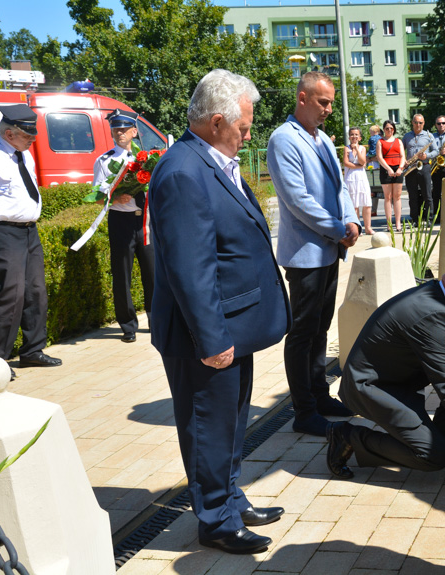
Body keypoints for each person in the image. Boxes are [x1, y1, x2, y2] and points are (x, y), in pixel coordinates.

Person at [148, 69, 291, 555]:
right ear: (215, 122)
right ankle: (215, 519)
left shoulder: (210, 160)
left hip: (233, 325)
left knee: (229, 425)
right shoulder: (184, 172)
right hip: (207, 334)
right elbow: (192, 268)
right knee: (209, 426)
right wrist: (212, 340)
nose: (248, 135)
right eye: (244, 128)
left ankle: (229, 496)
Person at [326, 254, 445, 480]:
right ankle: (347, 436)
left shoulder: (443, 298)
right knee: (433, 455)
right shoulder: (431, 313)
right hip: (371, 388)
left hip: (399, 379)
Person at [267, 71, 362, 437]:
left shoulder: (321, 139)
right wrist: (339, 230)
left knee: (321, 329)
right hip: (306, 254)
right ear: (302, 98)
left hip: (329, 250)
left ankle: (319, 396)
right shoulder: (283, 140)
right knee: (303, 333)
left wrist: (351, 220)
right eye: (323, 102)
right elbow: (298, 200)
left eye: (331, 103)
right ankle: (304, 410)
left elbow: (338, 188)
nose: (328, 109)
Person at [0, 104, 62, 380]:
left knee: (36, 292)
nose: (32, 140)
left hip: (29, 231)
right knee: (11, 295)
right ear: (8, 133)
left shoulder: (22, 155)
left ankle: (32, 351)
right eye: (27, 136)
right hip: (3, 231)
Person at [93, 109, 154, 343]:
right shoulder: (105, 161)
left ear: (134, 132)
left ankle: (155, 321)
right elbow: (96, 195)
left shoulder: (148, 159)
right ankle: (128, 326)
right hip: (121, 221)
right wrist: (115, 199)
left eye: (124, 129)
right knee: (122, 275)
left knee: (153, 274)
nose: (119, 133)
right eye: (116, 129)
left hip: (145, 221)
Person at [402, 114, 438, 222]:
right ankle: (415, 219)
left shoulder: (429, 136)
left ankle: (429, 218)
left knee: (427, 194)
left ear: (424, 123)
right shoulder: (407, 136)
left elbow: (436, 151)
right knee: (412, 196)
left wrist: (427, 156)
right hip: (410, 168)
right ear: (412, 123)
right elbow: (401, 150)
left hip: (424, 166)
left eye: (420, 123)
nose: (418, 125)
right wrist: (403, 160)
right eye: (416, 122)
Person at [376, 119, 405, 232]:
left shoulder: (398, 141)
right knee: (387, 197)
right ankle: (389, 224)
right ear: (384, 130)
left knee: (397, 197)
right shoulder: (380, 142)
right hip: (385, 169)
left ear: (394, 129)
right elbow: (379, 157)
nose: (389, 130)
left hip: (397, 169)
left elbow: (402, 156)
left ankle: (398, 223)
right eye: (387, 128)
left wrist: (400, 168)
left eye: (391, 128)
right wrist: (388, 168)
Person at [343, 126, 373, 234]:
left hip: (361, 177)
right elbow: (346, 163)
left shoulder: (362, 148)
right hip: (350, 177)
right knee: (354, 203)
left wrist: (356, 149)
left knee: (366, 202)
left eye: (356, 134)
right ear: (349, 136)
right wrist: (359, 166)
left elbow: (362, 161)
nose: (354, 136)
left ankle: (368, 227)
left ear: (360, 137)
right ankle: (357, 229)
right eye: (352, 134)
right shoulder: (346, 148)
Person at [366, 124, 382, 217]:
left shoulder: (373, 139)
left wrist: (371, 158)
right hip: (374, 166)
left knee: (375, 188)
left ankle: (373, 210)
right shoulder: (380, 139)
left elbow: (375, 156)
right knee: (373, 190)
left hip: (377, 167)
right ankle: (373, 210)